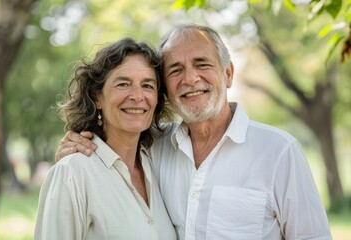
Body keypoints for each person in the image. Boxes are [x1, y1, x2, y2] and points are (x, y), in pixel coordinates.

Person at [55, 24, 332, 239]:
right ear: (167, 86)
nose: (190, 78)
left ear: (228, 74)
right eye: (175, 70)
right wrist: (74, 147)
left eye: (202, 64)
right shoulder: (155, 146)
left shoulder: (279, 151)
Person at [34, 38, 177, 240]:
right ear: (97, 97)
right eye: (123, 84)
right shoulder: (72, 173)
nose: (137, 96)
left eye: (147, 85)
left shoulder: (161, 162)